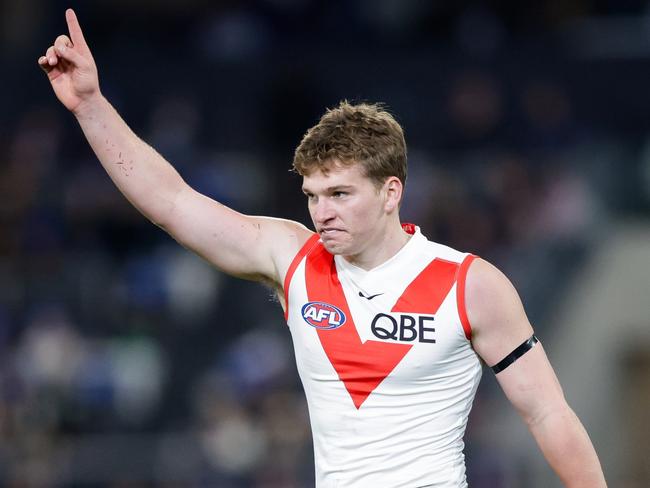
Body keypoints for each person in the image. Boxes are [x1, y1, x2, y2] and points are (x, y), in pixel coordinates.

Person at [39, 9, 607, 488]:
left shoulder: (471, 285)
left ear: (391, 192)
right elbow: (171, 201)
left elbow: (548, 412)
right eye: (312, 194)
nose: (321, 211)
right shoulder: (293, 259)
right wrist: (91, 106)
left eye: (339, 193)